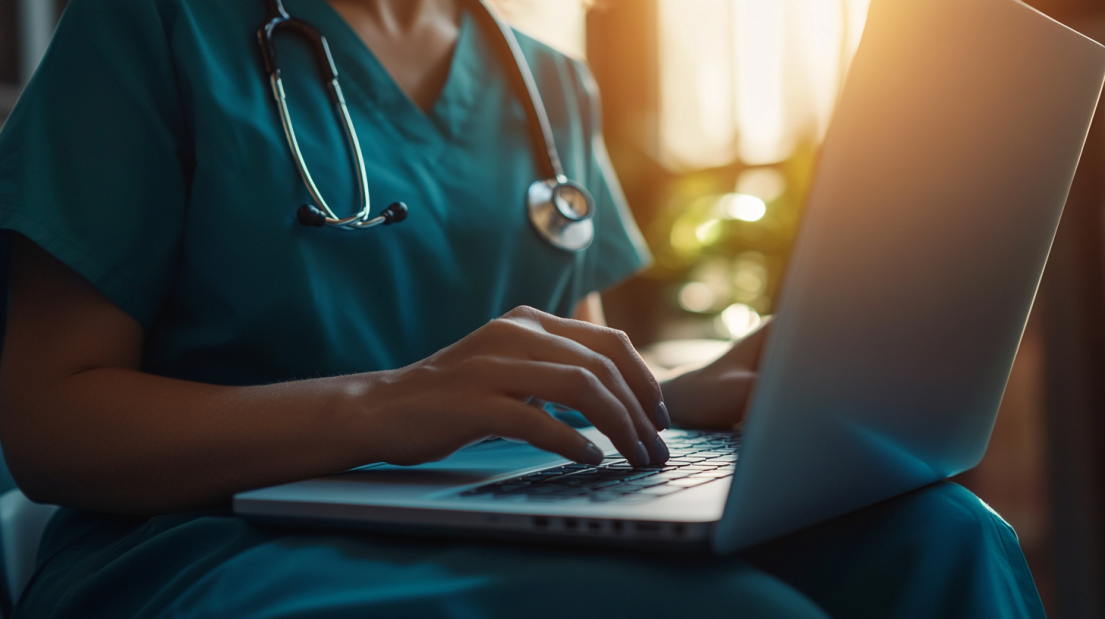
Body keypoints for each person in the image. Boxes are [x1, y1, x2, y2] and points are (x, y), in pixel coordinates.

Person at [0, 0, 1045, 616]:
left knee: (948, 542)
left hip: (502, 504)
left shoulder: (547, 84)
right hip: (202, 540)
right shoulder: (154, 30)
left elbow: (562, 379)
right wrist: (386, 404)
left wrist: (679, 393)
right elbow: (49, 428)